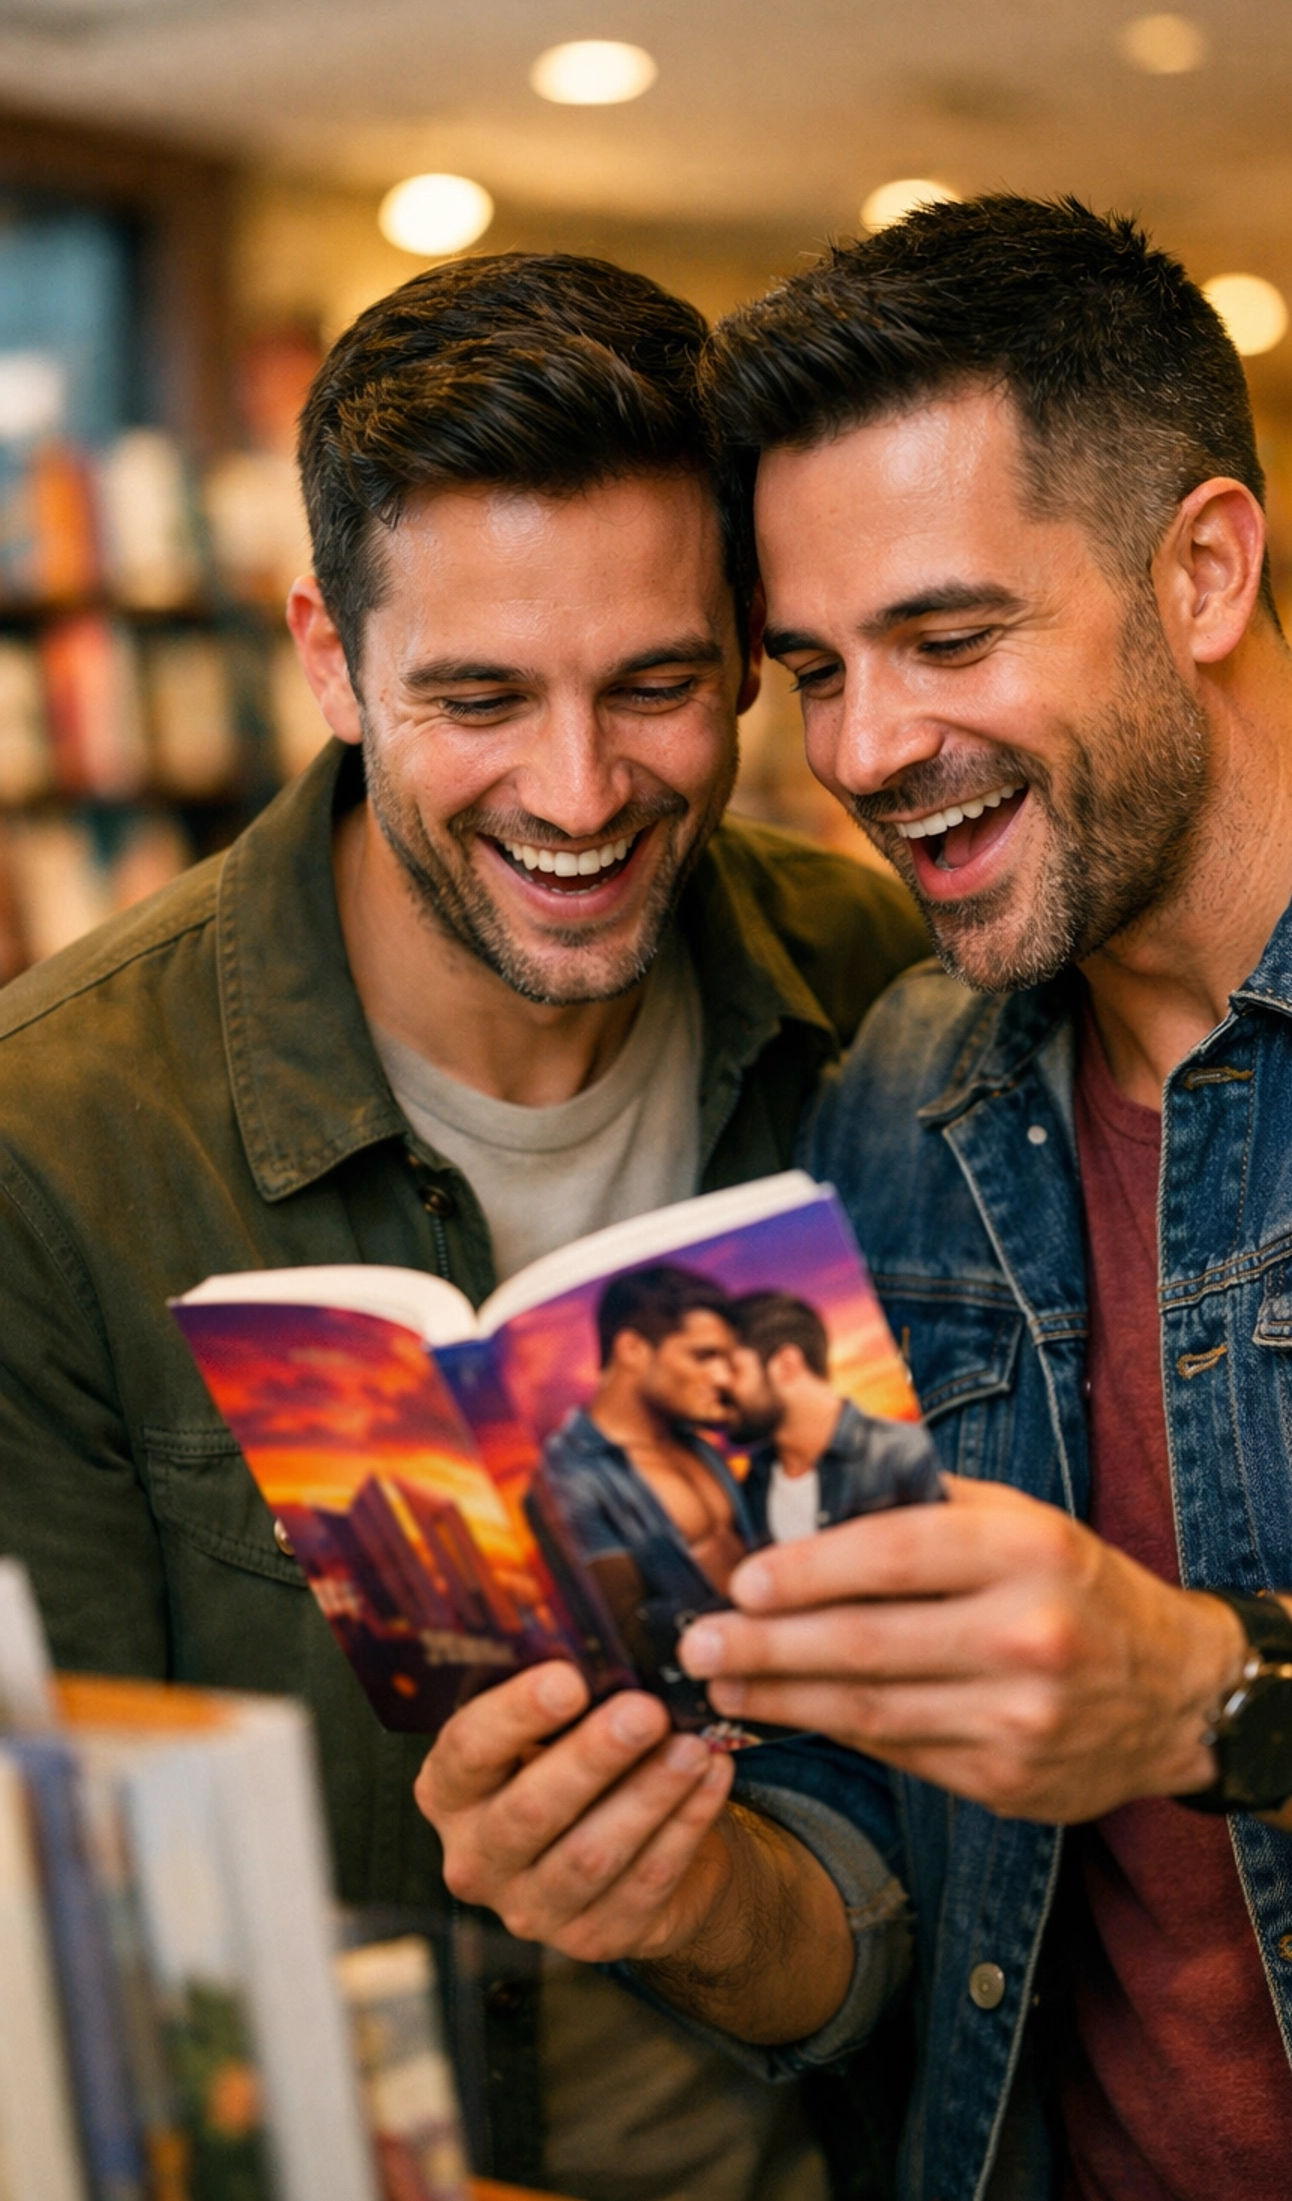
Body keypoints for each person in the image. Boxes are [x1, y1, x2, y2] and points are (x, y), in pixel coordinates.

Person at [414, 199, 1292, 2201]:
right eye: (815, 669)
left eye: (948, 639)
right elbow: (870, 1876)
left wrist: (1214, 1688)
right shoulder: (903, 1095)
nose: (865, 749)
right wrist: (672, 1891)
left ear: (1203, 569)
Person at [0, 248, 927, 2200]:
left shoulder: (892, 987)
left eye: (659, 686)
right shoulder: (57, 1141)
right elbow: (86, 1910)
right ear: (329, 661)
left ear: (751, 651)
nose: (580, 791)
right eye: (481, 698)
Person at [537, 1266, 757, 1709]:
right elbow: (624, 1635)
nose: (722, 1377)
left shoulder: (701, 1446)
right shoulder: (569, 1474)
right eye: (703, 1356)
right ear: (633, 1349)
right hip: (698, 1718)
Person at [728, 1290, 942, 1542]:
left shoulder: (907, 1454)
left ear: (786, 1366)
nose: (719, 1383)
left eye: (732, 1369)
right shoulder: (753, 1483)